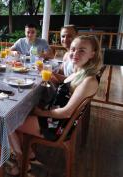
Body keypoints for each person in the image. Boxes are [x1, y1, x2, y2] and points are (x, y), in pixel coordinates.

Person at [7, 35, 102, 176]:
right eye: (73, 49)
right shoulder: (81, 71)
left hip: (57, 125)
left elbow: (66, 112)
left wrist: (40, 112)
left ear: (92, 54)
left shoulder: (89, 80)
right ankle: (29, 153)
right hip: (54, 115)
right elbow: (67, 81)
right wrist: (54, 76)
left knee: (8, 121)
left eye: (82, 50)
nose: (75, 53)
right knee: (20, 111)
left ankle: (22, 162)